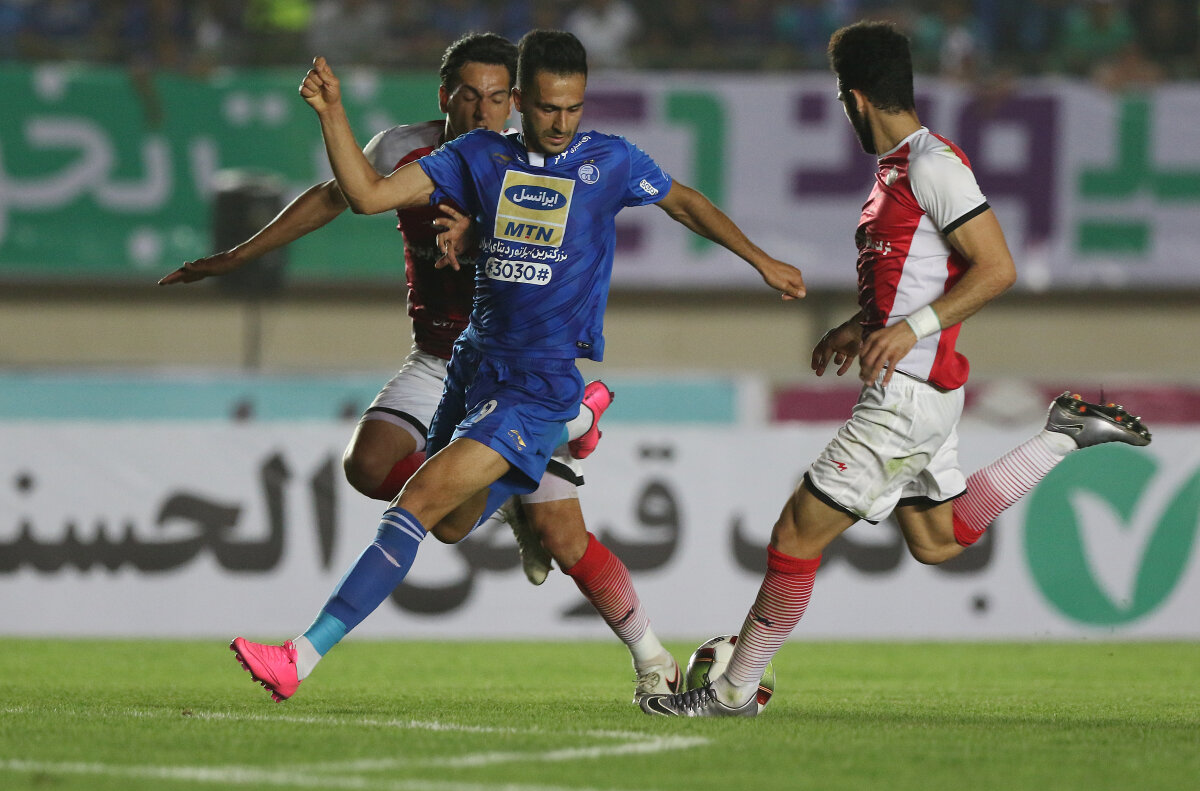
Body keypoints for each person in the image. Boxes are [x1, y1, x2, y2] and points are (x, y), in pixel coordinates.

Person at [227, 28, 807, 705]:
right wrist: (332, 114)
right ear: (524, 101)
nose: (561, 123)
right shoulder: (478, 155)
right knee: (450, 523)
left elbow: (685, 202)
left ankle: (298, 657)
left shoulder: (609, 161)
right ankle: (578, 423)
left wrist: (761, 259)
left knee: (417, 503)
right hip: (473, 365)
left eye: (573, 108)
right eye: (549, 108)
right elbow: (367, 196)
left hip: (536, 382)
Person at [639, 20, 1152, 718]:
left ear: (854, 98)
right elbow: (917, 280)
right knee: (937, 540)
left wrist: (911, 328)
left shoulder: (933, 166)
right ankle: (1062, 435)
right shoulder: (896, 172)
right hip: (920, 388)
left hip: (908, 394)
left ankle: (732, 691)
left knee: (794, 536)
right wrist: (864, 325)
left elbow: (996, 268)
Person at [161, 32, 681, 702]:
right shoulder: (406, 150)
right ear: (445, 96)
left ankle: (651, 655)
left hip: (516, 374)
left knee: (560, 534)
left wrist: (481, 233)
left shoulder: (530, 166)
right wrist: (239, 255)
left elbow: (567, 237)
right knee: (370, 465)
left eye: (498, 97)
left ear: (516, 101)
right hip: (441, 359)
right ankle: (526, 458)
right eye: (470, 96)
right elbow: (336, 196)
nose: (484, 110)